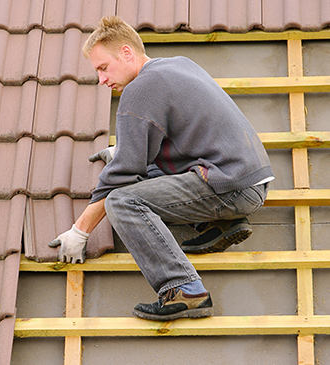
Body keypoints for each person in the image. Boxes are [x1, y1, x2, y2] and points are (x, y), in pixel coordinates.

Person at [48, 16, 274, 321]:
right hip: (249, 179)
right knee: (148, 176)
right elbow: (185, 131)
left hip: (230, 187)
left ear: (127, 53)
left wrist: (80, 230)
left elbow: (123, 176)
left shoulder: (141, 89)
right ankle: (220, 225)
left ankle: (184, 290)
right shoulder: (178, 65)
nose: (102, 80)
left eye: (103, 68)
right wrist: (127, 147)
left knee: (123, 201)